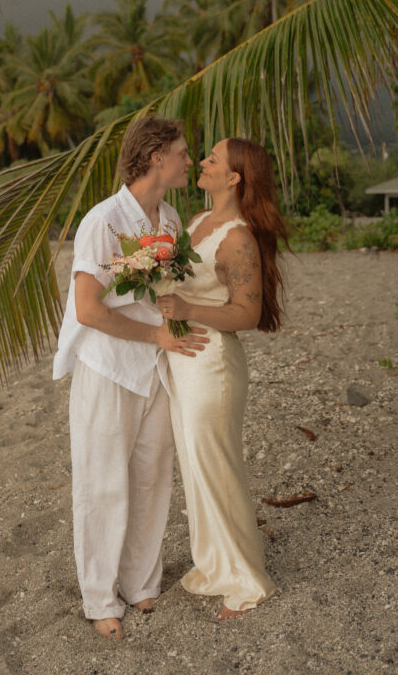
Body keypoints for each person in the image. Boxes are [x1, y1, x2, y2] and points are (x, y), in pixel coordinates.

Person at [53, 116, 209, 640]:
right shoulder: (103, 220)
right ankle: (100, 598)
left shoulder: (169, 219)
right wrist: (155, 339)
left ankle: (141, 583)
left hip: (157, 368)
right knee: (101, 484)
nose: (191, 160)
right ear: (155, 157)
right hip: (108, 367)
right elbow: (88, 309)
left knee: (151, 478)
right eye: (183, 152)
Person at [158, 137, 288, 620]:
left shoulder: (235, 237)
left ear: (234, 177)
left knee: (217, 467)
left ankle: (247, 577)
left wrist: (188, 308)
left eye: (212, 159)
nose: (203, 163)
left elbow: (248, 313)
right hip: (184, 360)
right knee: (196, 469)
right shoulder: (196, 222)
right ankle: (215, 565)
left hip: (212, 366)